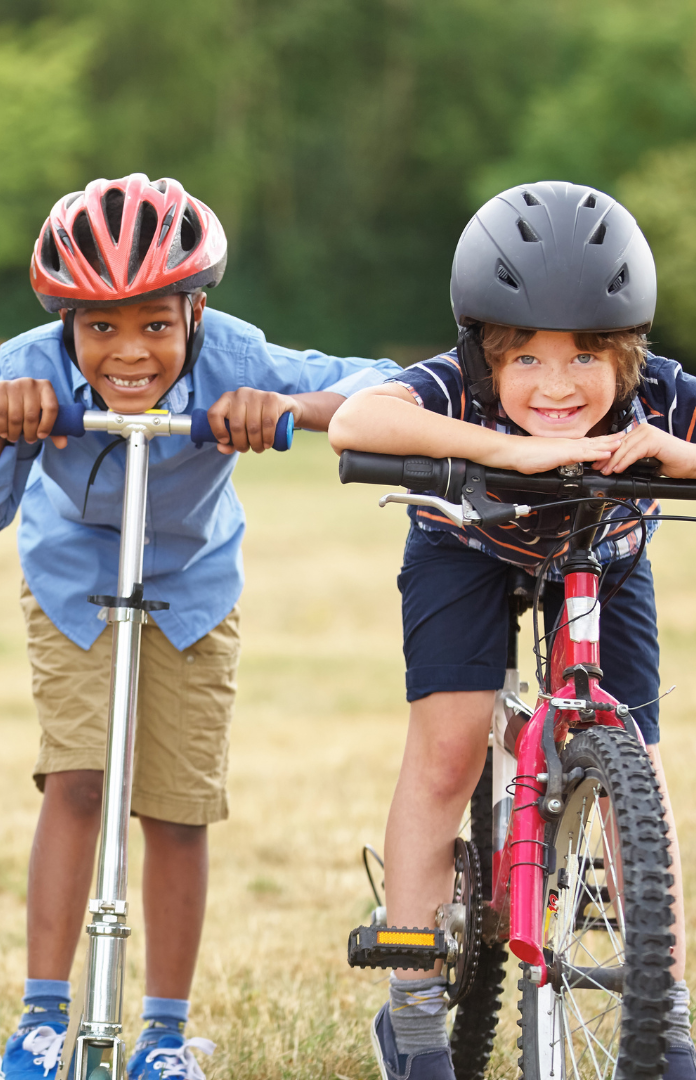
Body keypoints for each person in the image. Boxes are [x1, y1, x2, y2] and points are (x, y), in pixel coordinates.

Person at [0, 173, 399, 1080]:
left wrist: (286, 409)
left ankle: (163, 1032)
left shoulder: (237, 355)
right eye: (100, 327)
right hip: (74, 576)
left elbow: (386, 390)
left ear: (195, 311)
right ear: (66, 322)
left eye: (156, 324)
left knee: (179, 811)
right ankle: (41, 1017)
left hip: (192, 587)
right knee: (77, 781)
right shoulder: (26, 364)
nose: (130, 353)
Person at [329, 180, 696, 1080]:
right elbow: (353, 419)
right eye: (525, 359)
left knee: (638, 758)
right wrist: (513, 451)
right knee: (450, 749)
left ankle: (666, 1000)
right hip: (465, 549)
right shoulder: (453, 384)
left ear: (629, 354)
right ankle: (413, 1010)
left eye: (583, 359)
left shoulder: (661, 393)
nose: (557, 385)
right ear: (483, 351)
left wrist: (678, 454)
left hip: (601, 560)